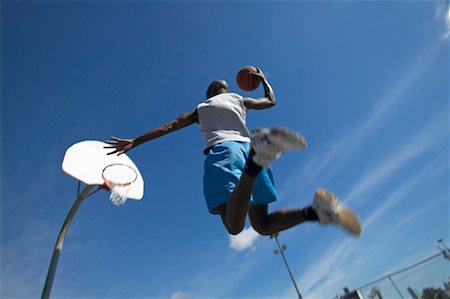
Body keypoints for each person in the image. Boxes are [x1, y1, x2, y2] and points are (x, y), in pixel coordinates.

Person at [106, 67, 362, 237]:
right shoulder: (239, 100)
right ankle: (317, 212)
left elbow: (168, 126)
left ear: (209, 94)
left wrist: (135, 141)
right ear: (226, 91)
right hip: (247, 145)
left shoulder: (202, 108)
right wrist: (263, 80)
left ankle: (255, 161)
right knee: (262, 225)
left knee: (234, 225)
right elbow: (271, 101)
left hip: (224, 153)